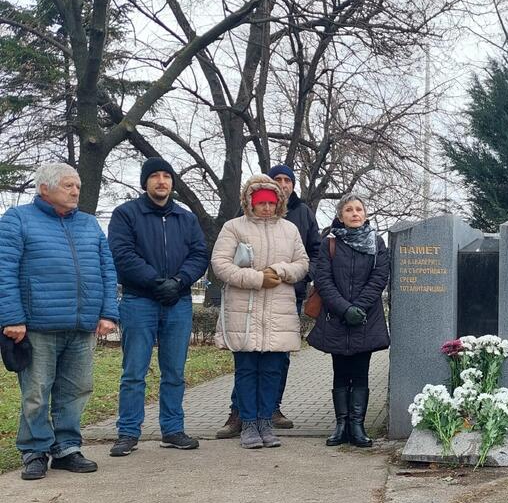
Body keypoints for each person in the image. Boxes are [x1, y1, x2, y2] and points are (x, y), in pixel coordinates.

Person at [0, 163, 118, 480]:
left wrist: (109, 312)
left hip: (81, 326)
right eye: (68, 185)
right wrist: (11, 317)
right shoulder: (17, 220)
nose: (76, 191)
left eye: (77, 185)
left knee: (77, 389)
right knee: (37, 391)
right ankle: (35, 450)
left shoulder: (91, 225)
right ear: (45, 189)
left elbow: (107, 271)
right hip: (36, 325)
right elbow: (4, 271)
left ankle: (66, 447)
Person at [107, 158, 209, 457]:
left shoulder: (186, 218)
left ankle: (172, 429)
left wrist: (179, 281)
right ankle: (127, 432)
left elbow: (199, 254)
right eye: (155, 176)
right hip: (140, 300)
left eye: (166, 176)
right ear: (145, 182)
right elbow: (122, 254)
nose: (161, 181)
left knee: (175, 371)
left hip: (178, 301)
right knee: (134, 372)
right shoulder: (126, 214)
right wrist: (155, 282)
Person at [216, 165, 321, 437]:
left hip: (279, 309)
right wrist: (256, 278)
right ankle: (248, 423)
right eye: (260, 202)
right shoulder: (233, 227)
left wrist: (281, 271)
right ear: (250, 202)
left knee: (273, 370)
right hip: (245, 311)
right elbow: (220, 264)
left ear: (279, 204)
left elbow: (303, 263)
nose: (265, 208)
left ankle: (265, 421)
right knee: (247, 370)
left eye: (270, 203)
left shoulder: (289, 229)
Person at [306, 194, 389, 448]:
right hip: (337, 318)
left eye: (359, 209)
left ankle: (358, 425)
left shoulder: (376, 242)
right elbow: (323, 278)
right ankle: (341, 425)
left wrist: (359, 307)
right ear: (341, 215)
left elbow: (380, 276)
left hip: (365, 318)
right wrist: (344, 309)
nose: (355, 213)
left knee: (361, 372)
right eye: (349, 210)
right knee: (340, 372)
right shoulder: (329, 242)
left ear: (365, 214)